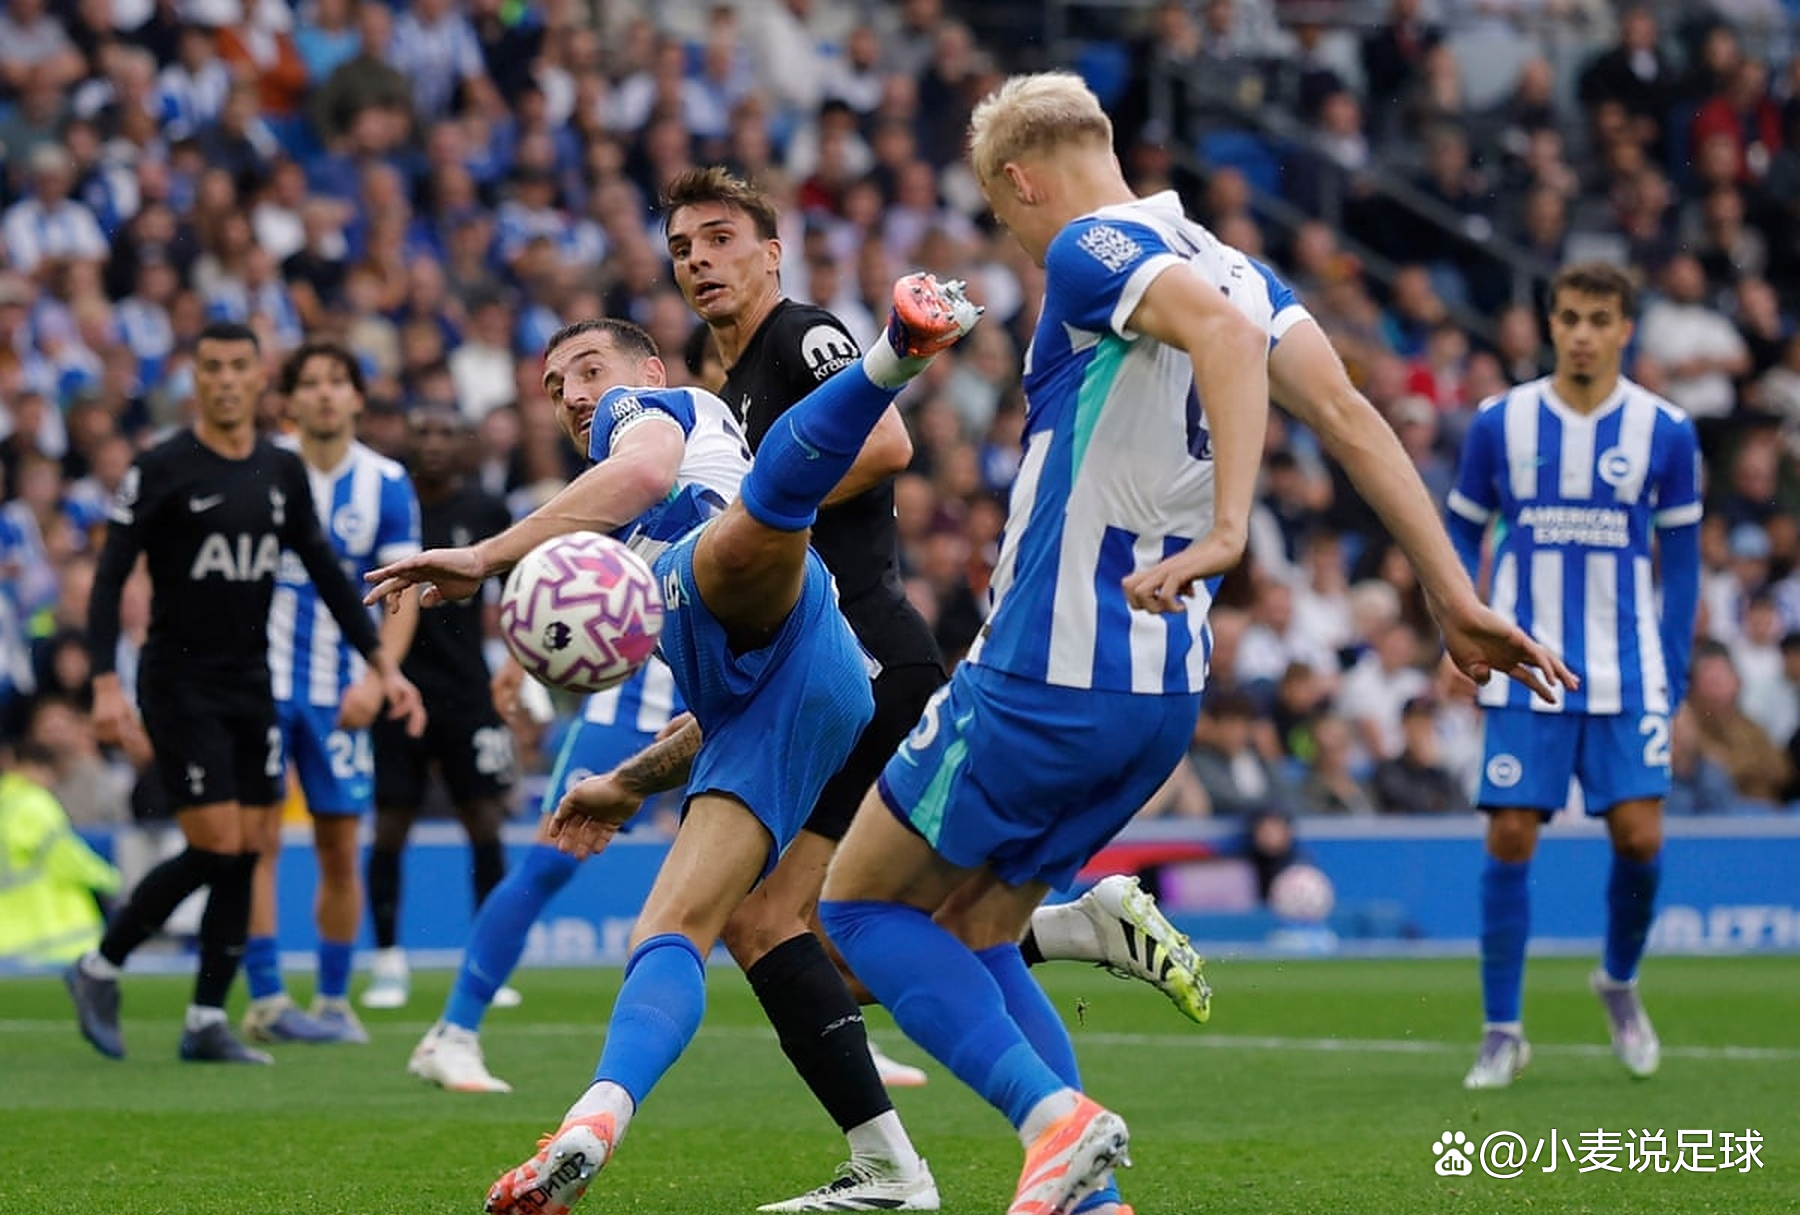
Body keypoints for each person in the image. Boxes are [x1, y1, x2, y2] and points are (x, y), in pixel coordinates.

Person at [782, 72, 1574, 1215]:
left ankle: (1055, 1122)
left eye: (1003, 216)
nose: (1016, 240)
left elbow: (1218, 338)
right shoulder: (1236, 262)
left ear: (1021, 181)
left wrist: (1231, 528)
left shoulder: (1090, 248)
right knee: (982, 929)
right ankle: (1093, 1198)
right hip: (1159, 693)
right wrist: (1453, 595)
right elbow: (1348, 416)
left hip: (1047, 666)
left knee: (856, 915)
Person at [362, 279, 979, 1215]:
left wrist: (485, 559)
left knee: (754, 521)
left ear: (647, 371)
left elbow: (649, 475)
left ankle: (895, 350)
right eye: (554, 385)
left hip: (767, 597)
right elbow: (728, 709)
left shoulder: (646, 415)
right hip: (804, 687)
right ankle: (605, 1121)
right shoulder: (629, 546)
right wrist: (625, 782)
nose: (575, 394)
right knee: (679, 929)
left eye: (588, 369)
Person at [65, 320, 422, 1065]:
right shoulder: (161, 467)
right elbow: (109, 578)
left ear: (260, 380)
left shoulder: (278, 470)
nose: (226, 380)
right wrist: (104, 683)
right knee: (219, 846)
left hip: (252, 683)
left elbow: (325, 571)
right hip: (179, 683)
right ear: (194, 379)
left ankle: (205, 1019)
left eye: (238, 367)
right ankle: (101, 962)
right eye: (212, 367)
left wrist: (381, 666)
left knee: (249, 849)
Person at [1448, 261, 1700, 1090]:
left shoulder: (1666, 431)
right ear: (1550, 325)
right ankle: (1502, 1029)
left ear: (1625, 328)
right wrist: (1460, 626)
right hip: (1525, 665)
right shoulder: (1501, 423)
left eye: (1599, 319)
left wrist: (1672, 671)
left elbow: (1683, 564)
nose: (1583, 334)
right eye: (1569, 318)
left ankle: (1618, 980)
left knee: (1641, 838)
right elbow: (1460, 534)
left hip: (1628, 668)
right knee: (1510, 832)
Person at [239, 340, 424, 1046]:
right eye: (309, 383)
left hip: (341, 691)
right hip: (258, 685)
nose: (323, 393)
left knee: (340, 847)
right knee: (257, 842)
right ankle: (265, 996)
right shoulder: (259, 469)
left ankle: (333, 999)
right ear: (288, 400)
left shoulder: (386, 482)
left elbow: (401, 593)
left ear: (356, 397)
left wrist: (380, 679)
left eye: (336, 381)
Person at [361, 406, 520, 1012]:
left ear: (464, 446)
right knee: (390, 824)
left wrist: (515, 665)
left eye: (445, 433)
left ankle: (485, 965)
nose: (432, 442)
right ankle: (387, 963)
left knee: (484, 822)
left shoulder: (485, 510)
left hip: (467, 691)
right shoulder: (390, 506)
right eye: (421, 431)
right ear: (404, 438)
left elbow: (516, 588)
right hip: (398, 687)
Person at [0, 739, 122, 966]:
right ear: (38, 767)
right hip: (54, 936)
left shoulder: (5, 803)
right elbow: (68, 858)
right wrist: (111, 880)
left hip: (9, 941)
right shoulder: (34, 803)